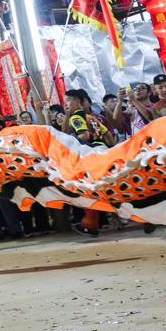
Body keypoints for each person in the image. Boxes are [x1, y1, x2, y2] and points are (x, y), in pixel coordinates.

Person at [66, 90, 115, 237]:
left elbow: (84, 135)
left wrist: (70, 140)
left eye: (69, 100)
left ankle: (90, 224)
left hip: (90, 155)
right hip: (103, 151)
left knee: (88, 189)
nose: (66, 103)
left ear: (78, 102)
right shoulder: (91, 117)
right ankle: (91, 223)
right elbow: (109, 137)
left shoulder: (76, 117)